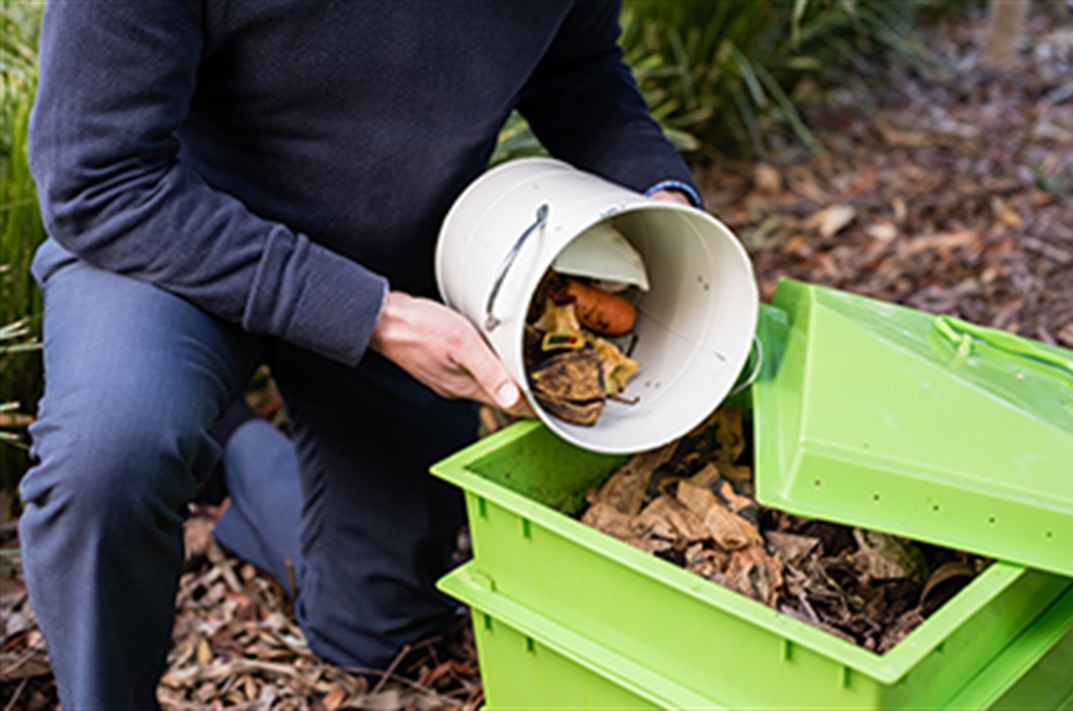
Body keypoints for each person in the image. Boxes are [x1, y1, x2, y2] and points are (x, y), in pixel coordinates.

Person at [20, 1, 700, 707]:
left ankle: (240, 450)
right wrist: (368, 315)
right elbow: (97, 179)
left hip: (397, 259)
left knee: (381, 636)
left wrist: (663, 198)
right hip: (176, 243)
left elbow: (579, 75)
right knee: (112, 452)